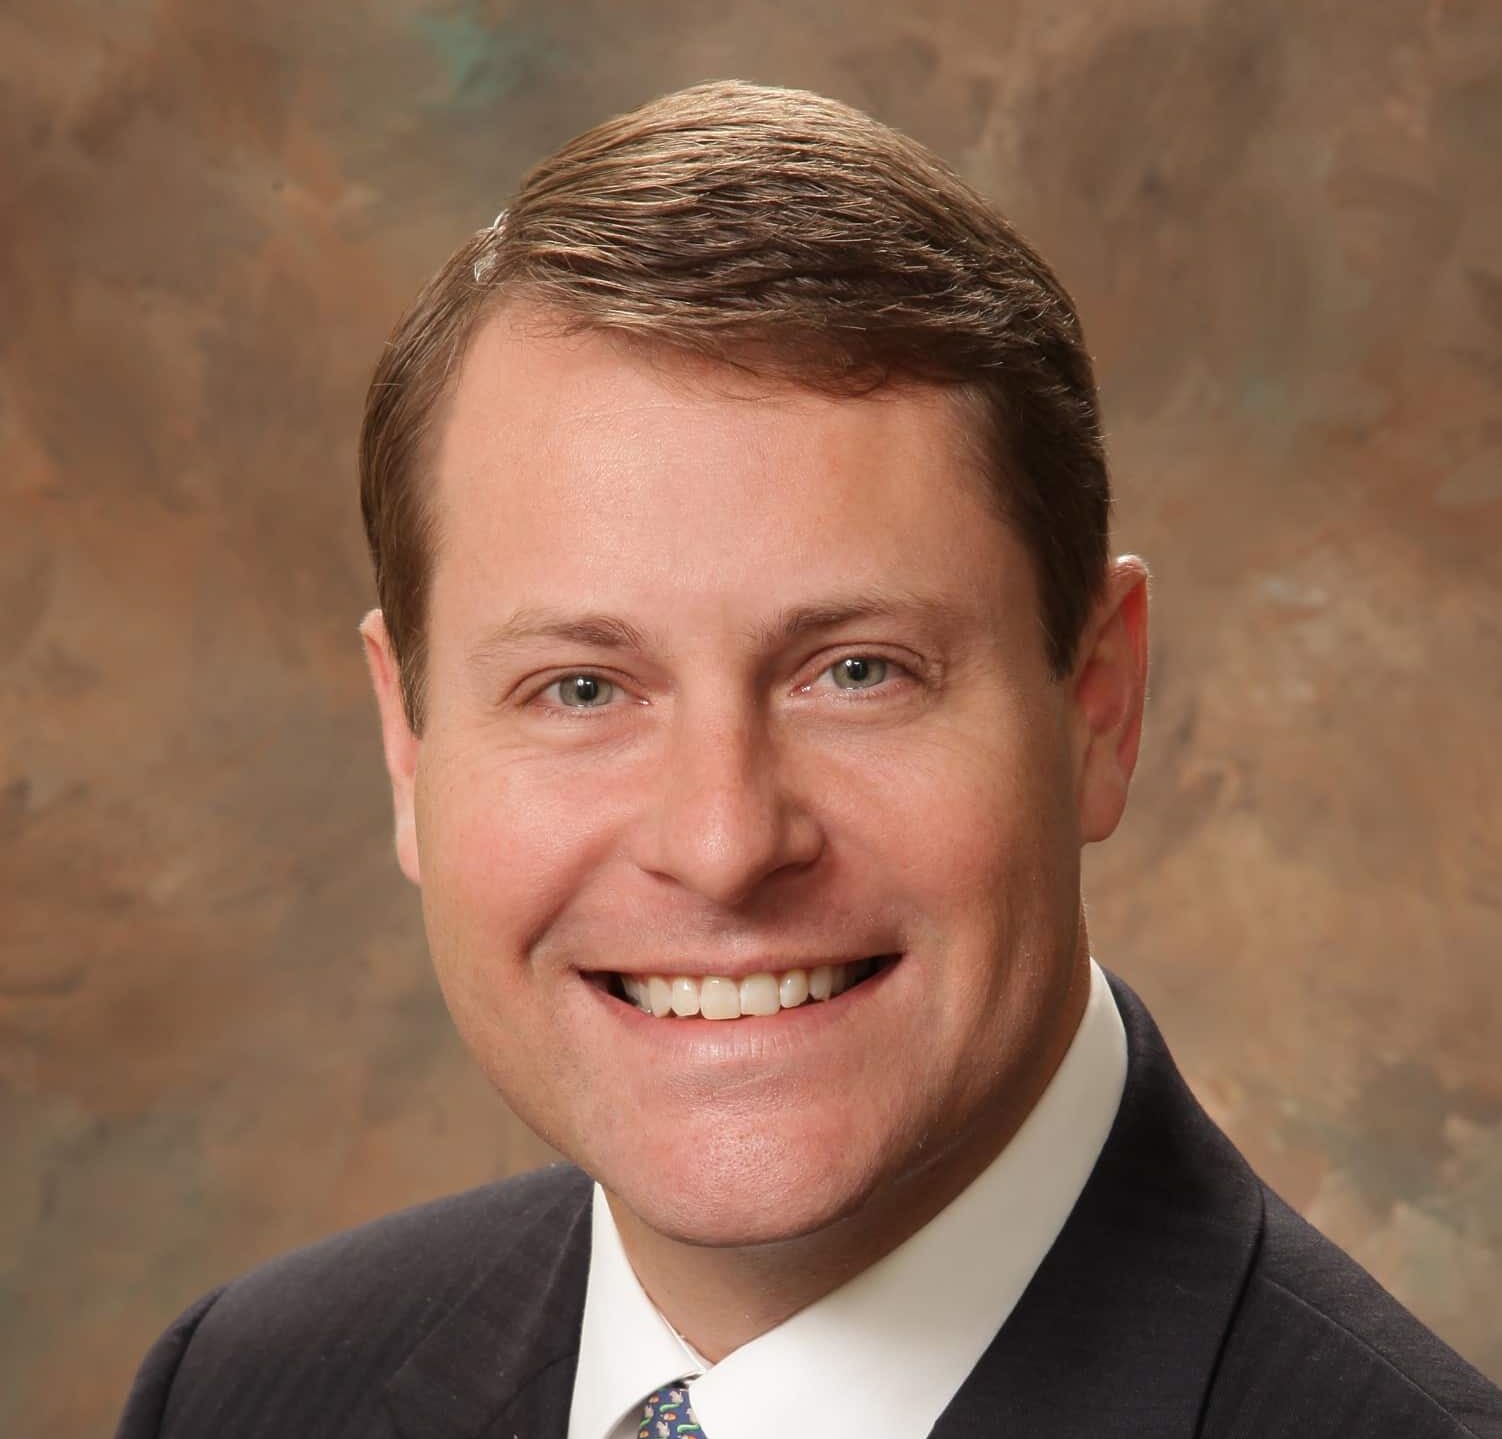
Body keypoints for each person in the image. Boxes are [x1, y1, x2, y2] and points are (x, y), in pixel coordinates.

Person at [115, 81, 1501, 1439]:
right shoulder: (244, 1391)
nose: (723, 843)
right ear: (409, 748)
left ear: (1097, 704)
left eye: (856, 672)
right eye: (581, 686)